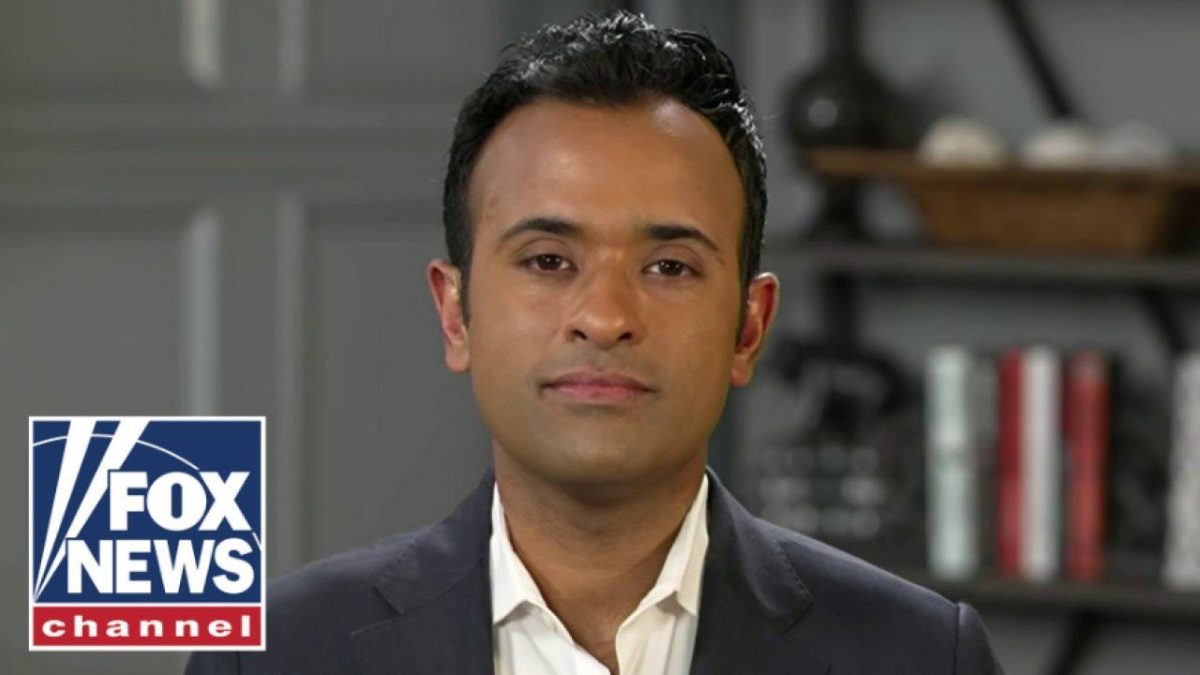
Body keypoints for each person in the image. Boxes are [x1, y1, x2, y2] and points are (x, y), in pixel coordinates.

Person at [187, 10, 1003, 674]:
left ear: (749, 327)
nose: (605, 316)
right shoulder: (274, 657)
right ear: (456, 313)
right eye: (548, 260)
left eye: (670, 266)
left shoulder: (923, 656)